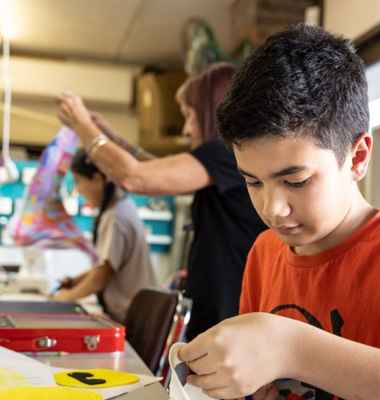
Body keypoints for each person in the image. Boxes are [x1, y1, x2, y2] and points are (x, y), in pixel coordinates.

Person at [178, 24, 380, 400]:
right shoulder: (265, 254)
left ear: (358, 156)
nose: (272, 209)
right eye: (253, 182)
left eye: (295, 181)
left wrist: (293, 349)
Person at [57, 63, 266, 340]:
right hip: (218, 308)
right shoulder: (220, 162)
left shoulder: (225, 153)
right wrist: (109, 136)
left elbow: (135, 177)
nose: (188, 128)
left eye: (190, 116)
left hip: (227, 311)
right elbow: (155, 168)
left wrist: (82, 126)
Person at [52, 149, 156, 323]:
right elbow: (105, 265)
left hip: (131, 319)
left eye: (78, 181)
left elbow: (100, 277)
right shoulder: (121, 206)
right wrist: (73, 282)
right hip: (135, 313)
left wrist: (63, 298)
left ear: (98, 179)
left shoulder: (115, 216)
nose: (77, 190)